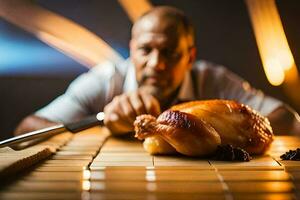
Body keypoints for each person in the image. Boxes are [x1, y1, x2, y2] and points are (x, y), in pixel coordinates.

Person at [14, 6, 300, 136]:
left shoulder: (212, 79)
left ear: (190, 57)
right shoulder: (106, 79)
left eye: (170, 53)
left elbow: (286, 118)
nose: (156, 64)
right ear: (132, 49)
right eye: (146, 50)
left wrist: (205, 127)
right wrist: (104, 123)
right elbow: (26, 129)